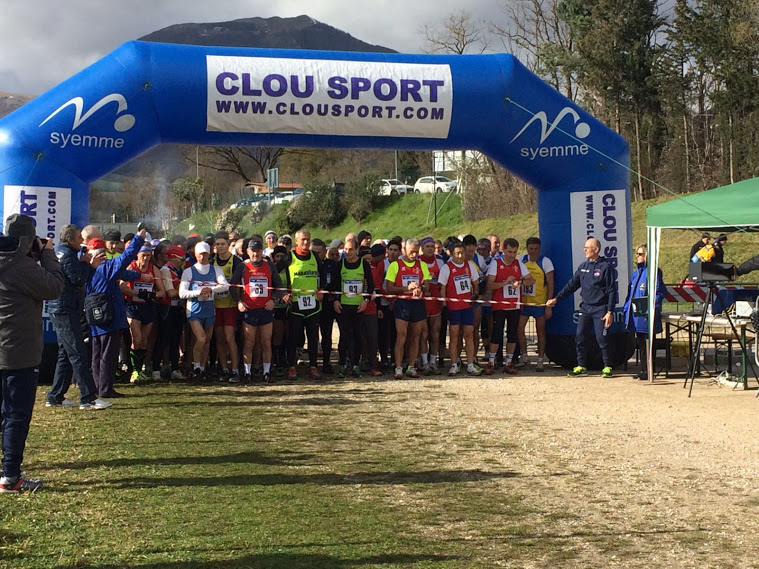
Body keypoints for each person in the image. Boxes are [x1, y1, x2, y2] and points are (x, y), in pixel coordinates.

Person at [0, 214, 64, 493]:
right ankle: (11, 476)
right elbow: (54, 287)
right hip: (19, 352)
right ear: (28, 240)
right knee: (16, 415)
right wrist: (47, 255)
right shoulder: (22, 266)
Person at [46, 224, 111, 410]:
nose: (82, 241)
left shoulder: (64, 252)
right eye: (79, 238)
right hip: (65, 309)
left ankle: (55, 396)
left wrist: (85, 264)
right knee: (78, 352)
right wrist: (88, 265)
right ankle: (88, 398)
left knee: (66, 353)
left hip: (63, 307)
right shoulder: (67, 255)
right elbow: (77, 279)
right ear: (70, 240)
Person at [86, 231, 146, 399]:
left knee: (97, 353)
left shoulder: (89, 269)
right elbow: (125, 258)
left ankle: (98, 386)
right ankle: (105, 389)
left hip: (94, 315)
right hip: (109, 315)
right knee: (108, 354)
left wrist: (137, 275)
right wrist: (139, 239)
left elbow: (121, 273)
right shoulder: (106, 267)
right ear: (102, 253)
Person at [547, 237, 617, 378]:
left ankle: (607, 366)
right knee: (580, 337)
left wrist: (609, 311)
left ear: (596, 249)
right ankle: (581, 366)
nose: (585, 250)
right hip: (585, 308)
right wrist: (556, 298)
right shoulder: (583, 266)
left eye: (587, 248)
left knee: (602, 339)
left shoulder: (605, 267)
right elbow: (571, 285)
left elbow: (611, 291)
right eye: (584, 248)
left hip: (600, 309)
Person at [231, 237, 284, 383]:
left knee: (266, 342)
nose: (256, 254)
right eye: (253, 251)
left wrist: (273, 300)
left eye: (258, 251)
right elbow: (232, 286)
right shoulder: (243, 266)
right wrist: (239, 302)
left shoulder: (269, 265)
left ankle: (266, 372)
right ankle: (247, 372)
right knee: (249, 342)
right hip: (249, 309)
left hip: (265, 309)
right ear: (248, 251)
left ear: (262, 251)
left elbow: (279, 285)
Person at [179, 241, 230, 380]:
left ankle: (202, 368)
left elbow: (225, 285)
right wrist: (198, 292)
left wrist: (210, 289)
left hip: (209, 310)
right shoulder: (188, 272)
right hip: (194, 310)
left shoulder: (216, 270)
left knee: (207, 340)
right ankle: (196, 367)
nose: (202, 257)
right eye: (200, 254)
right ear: (195, 254)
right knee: (200, 338)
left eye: (205, 254)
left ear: (209, 254)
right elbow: (182, 293)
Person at [485, 238, 534, 375]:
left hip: (514, 306)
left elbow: (531, 280)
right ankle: (491, 362)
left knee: (512, 334)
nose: (512, 255)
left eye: (514, 252)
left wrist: (520, 282)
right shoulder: (496, 263)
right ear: (503, 250)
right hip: (500, 305)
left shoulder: (519, 264)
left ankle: (509, 362)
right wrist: (505, 283)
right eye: (509, 252)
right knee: (497, 334)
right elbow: (489, 285)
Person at [385, 237, 430, 379]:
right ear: (404, 250)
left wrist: (420, 287)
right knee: (402, 335)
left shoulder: (421, 265)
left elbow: (427, 286)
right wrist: (406, 288)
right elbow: (389, 287)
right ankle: (398, 367)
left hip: (417, 303)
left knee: (416, 336)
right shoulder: (395, 265)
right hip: (402, 303)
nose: (414, 255)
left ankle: (411, 366)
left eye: (416, 252)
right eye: (411, 252)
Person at [329, 238, 375, 377]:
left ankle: (355, 364)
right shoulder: (340, 264)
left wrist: (366, 301)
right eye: (346, 249)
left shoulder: (363, 264)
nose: (348, 252)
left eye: (351, 249)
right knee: (344, 335)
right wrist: (335, 301)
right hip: (343, 306)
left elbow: (370, 285)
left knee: (357, 335)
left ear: (357, 250)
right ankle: (342, 364)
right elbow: (335, 285)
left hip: (358, 306)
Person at [283, 229, 324, 380]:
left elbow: (323, 274)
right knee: (293, 337)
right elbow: (274, 274)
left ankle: (313, 366)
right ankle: (291, 367)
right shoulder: (289, 257)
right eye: (303, 239)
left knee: (313, 337)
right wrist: (283, 293)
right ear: (296, 241)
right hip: (295, 304)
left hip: (312, 304)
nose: (306, 242)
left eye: (308, 239)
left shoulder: (314, 256)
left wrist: (321, 290)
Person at [622, 244, 666, 380]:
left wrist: (650, 306)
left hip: (646, 314)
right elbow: (631, 292)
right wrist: (626, 308)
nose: (637, 256)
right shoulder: (636, 273)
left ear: (647, 255)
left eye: (640, 254)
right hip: (636, 313)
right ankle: (643, 369)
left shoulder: (653, 272)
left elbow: (659, 292)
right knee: (640, 342)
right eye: (637, 253)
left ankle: (649, 370)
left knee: (648, 343)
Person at [437, 240, 482, 376]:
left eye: (462, 253)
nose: (460, 256)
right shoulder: (447, 268)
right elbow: (442, 288)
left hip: (467, 307)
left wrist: (475, 294)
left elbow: (475, 283)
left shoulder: (469, 266)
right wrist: (445, 306)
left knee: (469, 334)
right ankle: (454, 364)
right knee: (454, 336)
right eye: (457, 253)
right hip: (454, 307)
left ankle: (470, 364)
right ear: (451, 254)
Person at [122, 244, 165, 382]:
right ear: (137, 255)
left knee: (145, 340)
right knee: (137, 339)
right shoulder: (131, 267)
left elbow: (162, 291)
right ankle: (134, 371)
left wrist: (152, 295)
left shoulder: (154, 269)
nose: (146, 258)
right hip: (133, 306)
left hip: (147, 306)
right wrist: (138, 294)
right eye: (143, 255)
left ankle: (140, 369)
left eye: (148, 255)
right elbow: (122, 286)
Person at [516, 237, 555, 372]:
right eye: (531, 249)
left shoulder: (545, 262)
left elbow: (550, 284)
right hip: (524, 303)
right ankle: (524, 356)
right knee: (519, 328)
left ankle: (540, 360)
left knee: (540, 331)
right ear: (527, 248)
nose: (533, 251)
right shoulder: (522, 260)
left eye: (536, 249)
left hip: (539, 303)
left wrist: (548, 305)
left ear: (540, 248)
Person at [211, 233, 243, 382]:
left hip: (231, 304)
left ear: (228, 245)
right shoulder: (212, 262)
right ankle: (224, 369)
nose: (220, 247)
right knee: (219, 338)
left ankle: (235, 370)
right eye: (217, 244)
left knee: (230, 337)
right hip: (216, 304)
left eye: (222, 244)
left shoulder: (235, 261)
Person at [155, 246, 187, 381]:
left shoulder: (179, 271)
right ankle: (156, 369)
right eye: (181, 259)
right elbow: (170, 292)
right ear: (173, 258)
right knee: (163, 339)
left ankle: (175, 369)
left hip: (177, 308)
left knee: (176, 340)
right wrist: (184, 290)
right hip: (167, 308)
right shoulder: (165, 270)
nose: (182, 262)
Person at [418, 237, 444, 374]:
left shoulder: (439, 261)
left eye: (432, 246)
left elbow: (443, 281)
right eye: (427, 246)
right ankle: (424, 362)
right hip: (422, 301)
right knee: (423, 333)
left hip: (435, 301)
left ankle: (433, 361)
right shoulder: (418, 261)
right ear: (422, 248)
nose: (430, 249)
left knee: (435, 333)